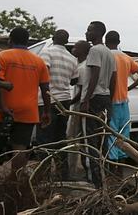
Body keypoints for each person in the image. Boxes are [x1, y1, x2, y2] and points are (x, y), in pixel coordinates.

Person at [0, 27, 51, 183]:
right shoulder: (38, 61)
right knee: (20, 147)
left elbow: (0, 84)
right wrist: (46, 111)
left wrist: (2, 107)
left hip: (3, 110)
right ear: (27, 41)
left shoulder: (2, 56)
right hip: (28, 111)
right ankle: (15, 182)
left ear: (10, 40)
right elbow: (46, 88)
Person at [36, 29, 79, 180]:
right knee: (60, 138)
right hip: (65, 101)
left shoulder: (46, 53)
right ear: (66, 42)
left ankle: (44, 177)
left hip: (47, 101)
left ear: (53, 38)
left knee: (43, 140)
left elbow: (43, 76)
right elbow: (74, 80)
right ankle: (63, 175)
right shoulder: (72, 58)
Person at [81, 21, 117, 188]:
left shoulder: (94, 50)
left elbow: (94, 74)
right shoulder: (109, 53)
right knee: (102, 140)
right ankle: (103, 179)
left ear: (97, 33)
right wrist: (110, 97)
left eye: (89, 30)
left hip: (94, 98)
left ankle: (94, 182)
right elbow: (113, 78)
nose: (86, 32)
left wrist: (86, 98)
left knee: (91, 141)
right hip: (105, 98)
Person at [105, 31, 138, 166]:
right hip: (124, 102)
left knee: (111, 135)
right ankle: (122, 167)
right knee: (124, 136)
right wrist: (129, 88)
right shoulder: (126, 57)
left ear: (106, 41)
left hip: (111, 102)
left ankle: (114, 169)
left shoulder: (106, 56)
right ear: (118, 42)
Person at [66, 40, 90, 176]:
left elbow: (82, 91)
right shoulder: (80, 65)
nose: (73, 49)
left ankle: (72, 170)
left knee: (74, 138)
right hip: (77, 105)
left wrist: (69, 103)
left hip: (78, 106)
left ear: (82, 50)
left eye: (75, 47)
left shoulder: (83, 67)